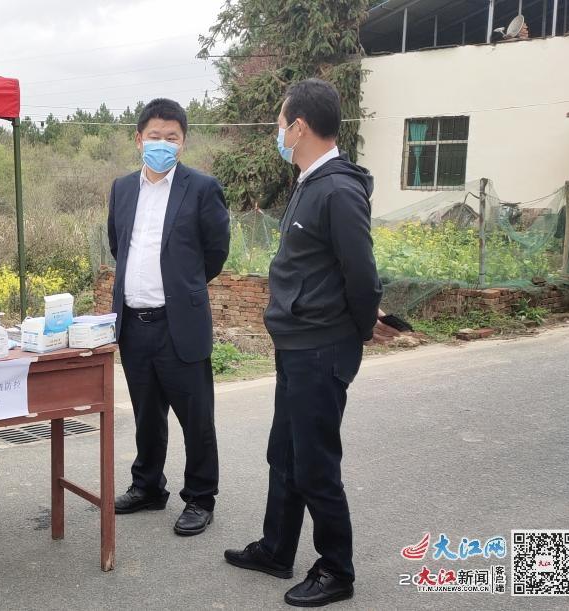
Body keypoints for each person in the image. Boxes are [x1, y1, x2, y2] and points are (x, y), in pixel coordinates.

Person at [224, 78, 394, 607]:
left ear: (298, 127)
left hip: (321, 348)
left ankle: (336, 569)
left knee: (315, 462)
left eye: (280, 124)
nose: (277, 132)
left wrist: (360, 328)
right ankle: (277, 549)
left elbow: (360, 272)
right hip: (297, 344)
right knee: (285, 452)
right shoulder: (310, 181)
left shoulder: (337, 189)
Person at [106, 98, 230, 536]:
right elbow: (118, 245)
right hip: (133, 323)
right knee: (146, 414)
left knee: (196, 416)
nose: (162, 144)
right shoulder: (123, 188)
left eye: (171, 137)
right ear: (139, 139)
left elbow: (215, 252)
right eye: (155, 136)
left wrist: (183, 287)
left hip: (180, 323)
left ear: (183, 143)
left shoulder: (202, 188)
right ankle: (147, 486)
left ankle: (200, 497)